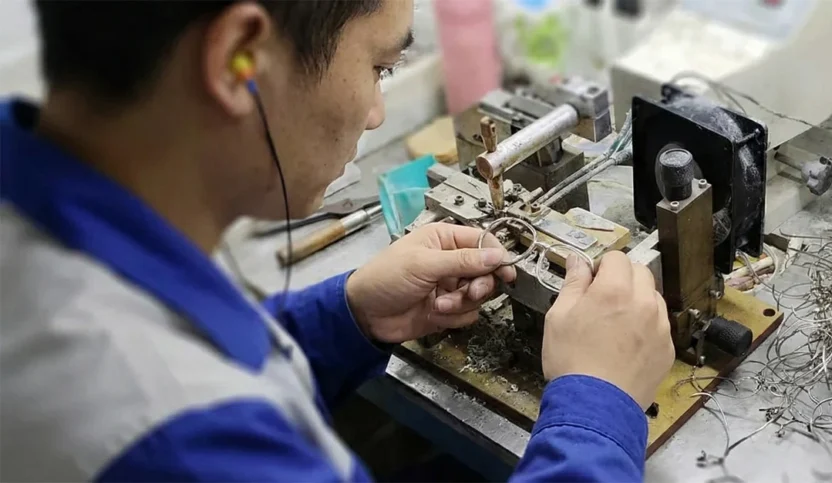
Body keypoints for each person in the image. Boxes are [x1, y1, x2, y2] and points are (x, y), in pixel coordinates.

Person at [0, 0, 674, 481]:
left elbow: (177, 349)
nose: (377, 111)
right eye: (381, 66)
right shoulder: (183, 441)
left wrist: (344, 316)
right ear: (240, 60)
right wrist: (596, 405)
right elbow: (182, 402)